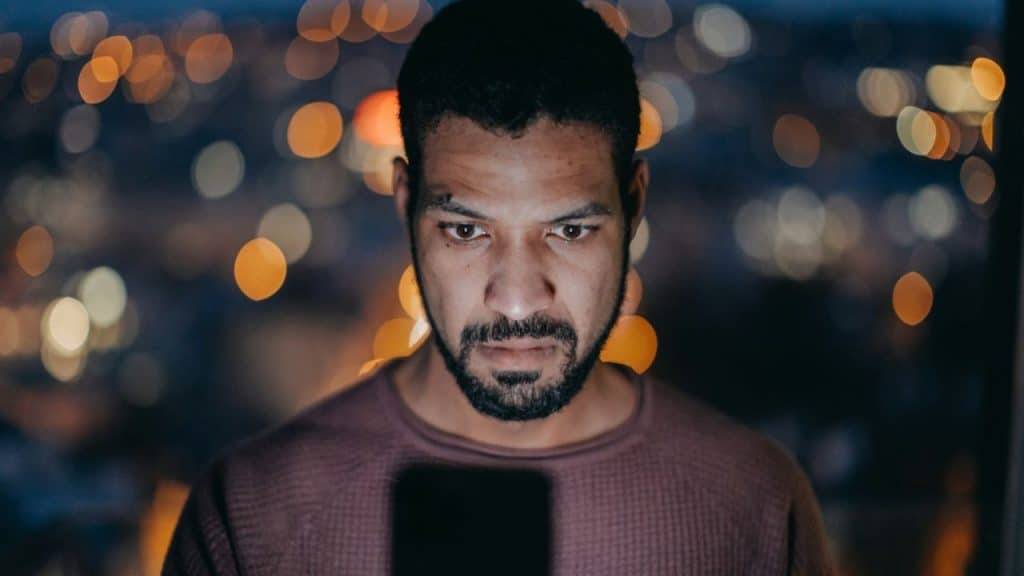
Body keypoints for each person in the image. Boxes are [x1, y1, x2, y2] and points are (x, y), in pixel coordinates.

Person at [164, 0, 834, 574]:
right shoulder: (250, 520)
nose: (516, 301)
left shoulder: (754, 510)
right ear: (405, 203)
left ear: (633, 205)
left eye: (570, 232)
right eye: (465, 231)